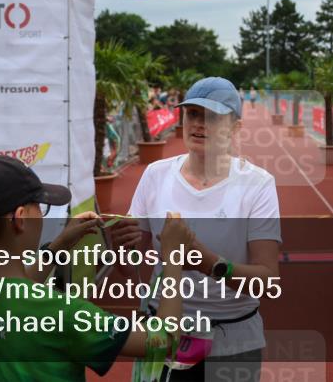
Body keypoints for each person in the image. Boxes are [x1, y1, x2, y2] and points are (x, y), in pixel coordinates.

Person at [0, 155, 195, 382]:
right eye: (40, 207)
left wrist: (58, 246)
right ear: (20, 218)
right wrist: (173, 259)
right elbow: (164, 341)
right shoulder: (65, 312)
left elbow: (17, 291)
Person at [116, 76, 282, 382]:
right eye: (193, 114)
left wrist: (207, 263)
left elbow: (268, 282)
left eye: (213, 117)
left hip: (232, 340)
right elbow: (130, 267)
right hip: (162, 336)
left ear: (235, 128)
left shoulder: (257, 185)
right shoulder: (155, 175)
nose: (199, 124)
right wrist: (117, 247)